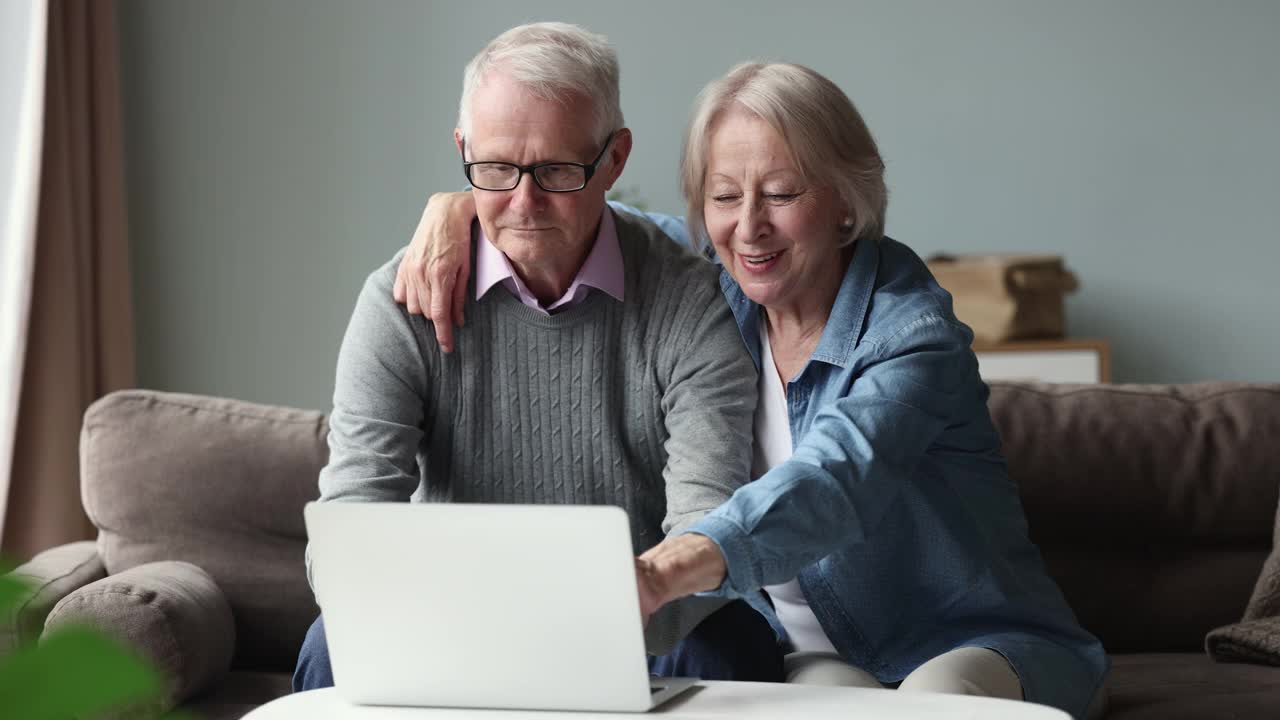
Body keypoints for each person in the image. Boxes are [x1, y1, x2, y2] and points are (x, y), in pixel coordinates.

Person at [394, 61, 1110, 719]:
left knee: (932, 704)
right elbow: (570, 214)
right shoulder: (708, 295)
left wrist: (667, 567)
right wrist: (456, 207)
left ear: (844, 201)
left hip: (972, 645)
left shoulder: (911, 329)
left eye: (782, 193)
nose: (748, 227)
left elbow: (835, 480)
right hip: (820, 660)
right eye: (724, 197)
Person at [293, 23, 785, 692]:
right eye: (495, 169)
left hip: (647, 633)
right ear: (463, 150)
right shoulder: (399, 301)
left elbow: (705, 521)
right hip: (448, 630)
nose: (523, 204)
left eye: (556, 170)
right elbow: (350, 520)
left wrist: (616, 611)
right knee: (331, 645)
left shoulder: (685, 302)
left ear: (614, 159)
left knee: (729, 642)